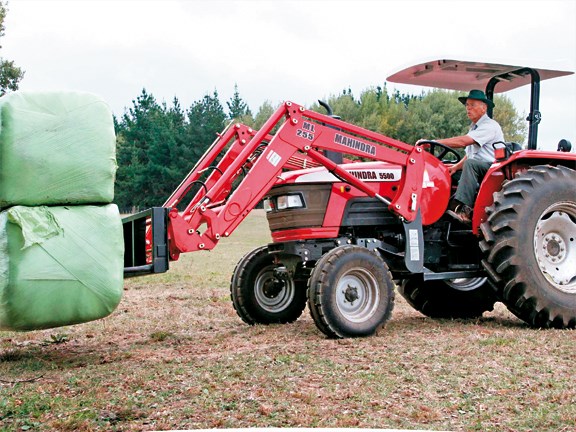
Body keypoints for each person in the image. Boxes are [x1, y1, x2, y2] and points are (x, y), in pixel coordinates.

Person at [417, 89, 504, 224]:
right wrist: (455, 167)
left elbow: (464, 142)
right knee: (444, 173)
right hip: (479, 167)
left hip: (492, 169)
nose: (468, 108)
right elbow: (470, 154)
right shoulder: (474, 127)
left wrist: (434, 142)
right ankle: (437, 212)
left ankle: (464, 210)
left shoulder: (489, 126)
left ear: (484, 107)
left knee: (471, 165)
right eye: (467, 105)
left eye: (472, 105)